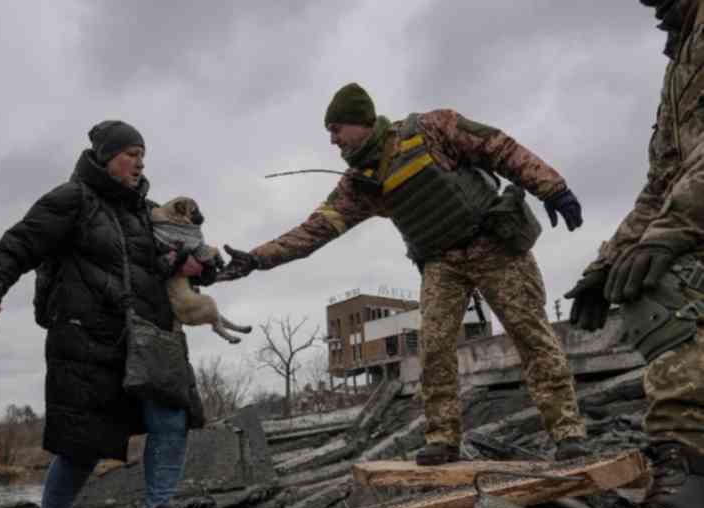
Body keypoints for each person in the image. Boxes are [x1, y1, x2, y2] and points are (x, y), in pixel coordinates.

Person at [218, 83, 587, 465]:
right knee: (434, 347)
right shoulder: (360, 183)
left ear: (361, 121)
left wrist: (552, 187)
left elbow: (499, 147)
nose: (332, 140)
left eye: (336, 129)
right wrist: (257, 259)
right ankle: (443, 438)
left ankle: (568, 433)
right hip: (442, 263)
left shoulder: (430, 128)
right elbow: (314, 231)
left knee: (531, 336)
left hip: (492, 244)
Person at [0, 120, 210, 508]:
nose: (139, 162)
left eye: (143, 154)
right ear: (104, 156)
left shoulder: (147, 213)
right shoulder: (72, 199)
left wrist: (201, 267)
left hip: (148, 338)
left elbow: (165, 263)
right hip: (86, 341)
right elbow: (17, 244)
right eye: (129, 153)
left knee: (170, 416)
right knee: (81, 448)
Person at [527, 0, 704, 508]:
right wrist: (608, 262)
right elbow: (663, 179)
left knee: (666, 289)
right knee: (636, 283)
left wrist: (670, 233)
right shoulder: (682, 54)